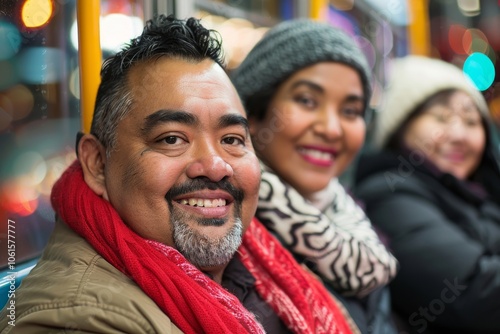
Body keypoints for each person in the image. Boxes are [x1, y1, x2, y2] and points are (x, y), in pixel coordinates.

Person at [0, 15, 358, 334]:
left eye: (232, 139)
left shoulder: (264, 264)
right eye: (172, 139)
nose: (216, 166)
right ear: (97, 164)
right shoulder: (78, 319)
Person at [231, 19, 399, 333]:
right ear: (252, 115)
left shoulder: (354, 218)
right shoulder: (221, 231)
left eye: (350, 111)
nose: (331, 129)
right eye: (307, 101)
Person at [354, 55, 500, 334]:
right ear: (400, 127)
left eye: (471, 121)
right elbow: (474, 293)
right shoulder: (387, 193)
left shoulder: (479, 191)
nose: (459, 134)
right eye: (441, 118)